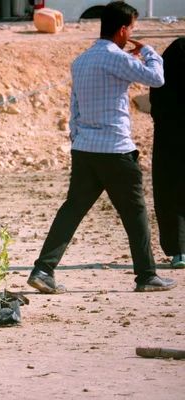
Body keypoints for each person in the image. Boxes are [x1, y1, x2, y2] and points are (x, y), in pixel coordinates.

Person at [27, 1, 176, 293]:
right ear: (123, 30)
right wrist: (147, 50)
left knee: (72, 210)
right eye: (132, 28)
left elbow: (75, 108)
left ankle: (43, 269)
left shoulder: (82, 60)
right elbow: (157, 78)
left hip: (86, 148)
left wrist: (77, 138)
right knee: (135, 214)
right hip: (116, 149)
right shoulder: (115, 58)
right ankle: (146, 275)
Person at [149, 37, 185, 269]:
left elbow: (157, 98)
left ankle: (178, 251)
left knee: (170, 192)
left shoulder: (173, 55)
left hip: (169, 136)